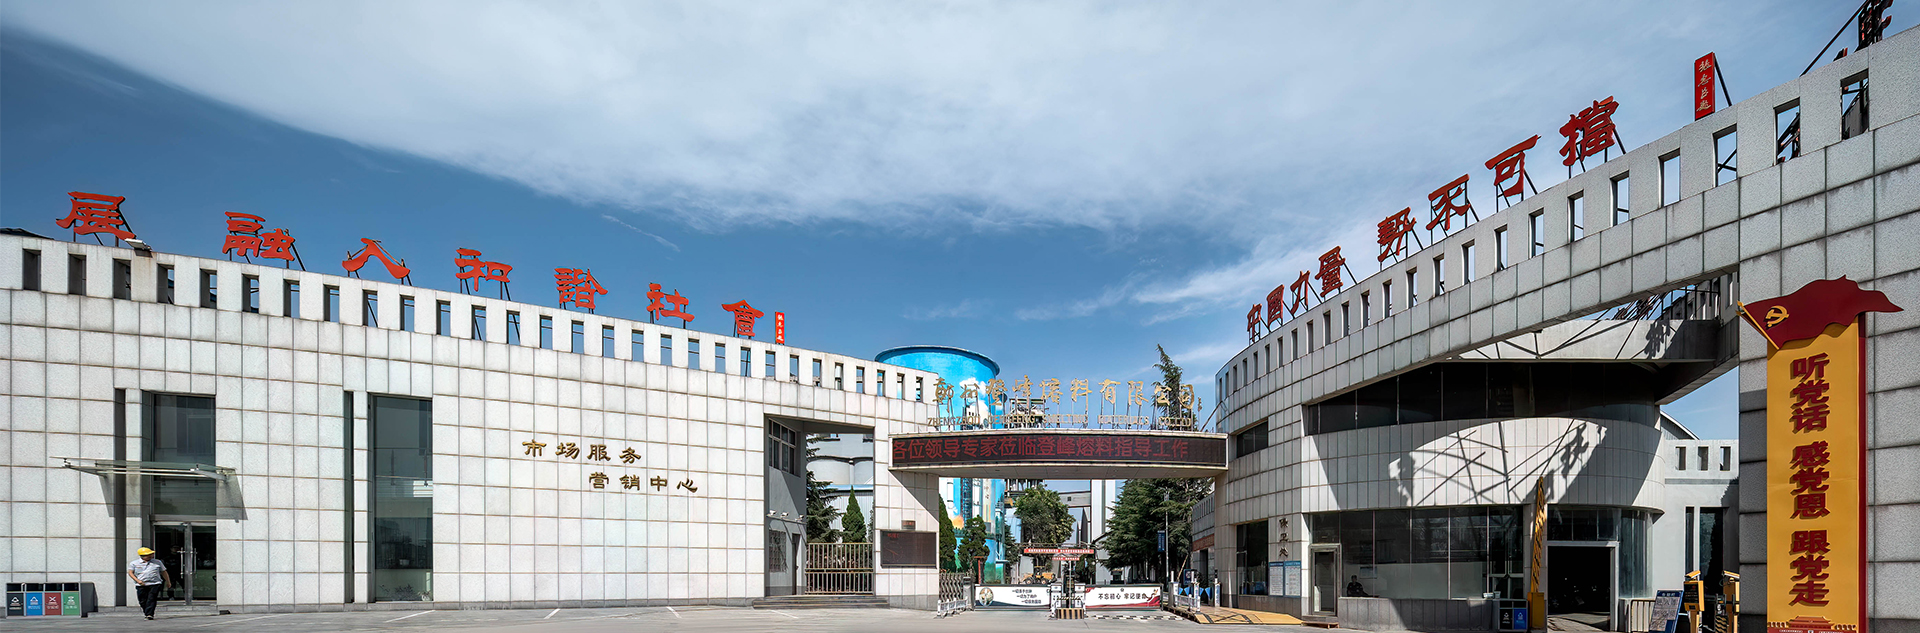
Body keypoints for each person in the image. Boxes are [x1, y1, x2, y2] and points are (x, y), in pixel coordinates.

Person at [127, 547, 170, 620]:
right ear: (142, 556)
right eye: (148, 555)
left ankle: (150, 614)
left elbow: (164, 572)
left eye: (151, 554)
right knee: (142, 600)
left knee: (151, 598)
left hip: (155, 583)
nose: (151, 556)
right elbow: (130, 573)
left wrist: (168, 581)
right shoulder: (134, 563)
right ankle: (147, 612)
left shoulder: (157, 562)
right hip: (141, 584)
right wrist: (137, 580)